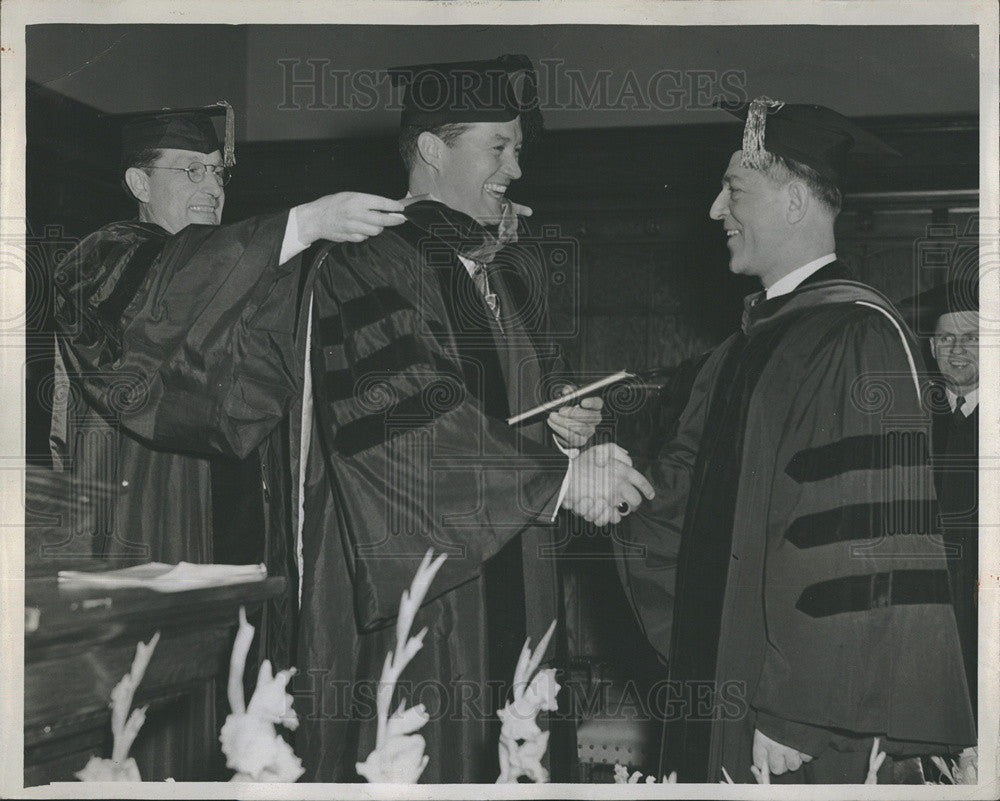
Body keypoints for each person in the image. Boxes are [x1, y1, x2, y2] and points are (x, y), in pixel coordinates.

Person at [292, 54, 653, 782]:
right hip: (430, 591)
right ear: (432, 149)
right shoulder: (369, 263)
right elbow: (404, 429)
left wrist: (558, 430)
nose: (517, 168)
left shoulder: (492, 269)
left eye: (518, 148)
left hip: (510, 568)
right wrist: (556, 481)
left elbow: (495, 411)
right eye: (500, 146)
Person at [615, 98, 975, 783]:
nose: (716, 210)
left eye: (735, 190)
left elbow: (862, 541)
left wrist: (797, 712)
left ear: (793, 203)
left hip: (797, 719)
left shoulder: (856, 337)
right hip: (728, 683)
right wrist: (602, 481)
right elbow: (683, 504)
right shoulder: (740, 350)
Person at [50, 101, 407, 665]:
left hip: (244, 537)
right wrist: (304, 224)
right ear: (139, 182)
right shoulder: (101, 260)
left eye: (218, 171)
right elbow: (167, 310)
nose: (213, 186)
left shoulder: (243, 265)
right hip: (146, 519)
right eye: (191, 169)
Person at [910, 279, 979, 718]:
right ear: (932, 348)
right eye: (946, 339)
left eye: (972, 337)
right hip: (926, 607)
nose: (957, 349)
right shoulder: (911, 420)